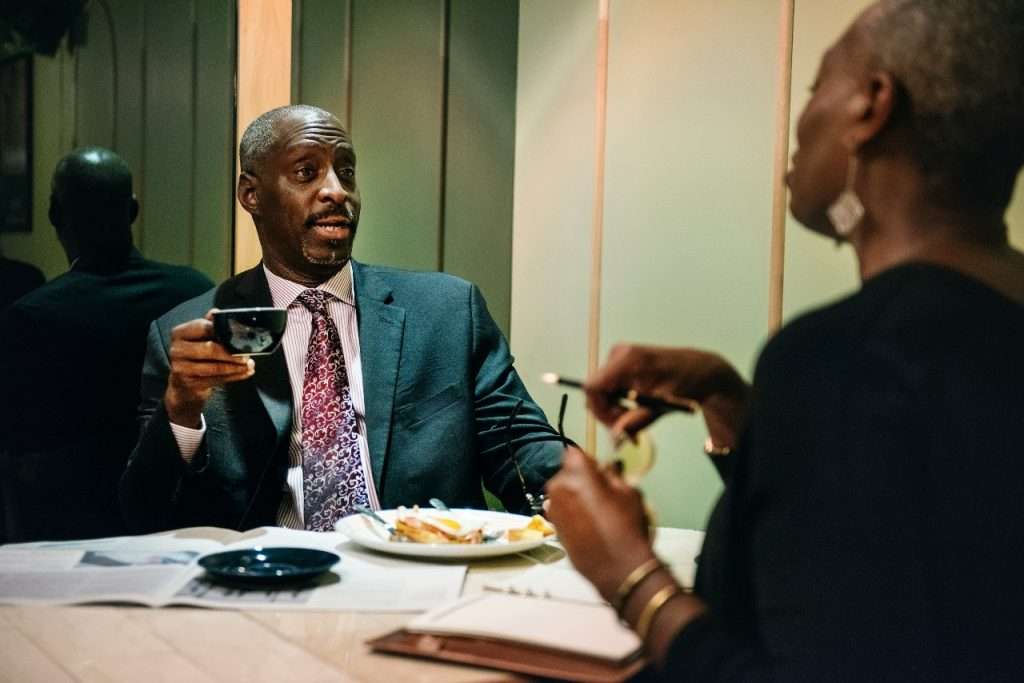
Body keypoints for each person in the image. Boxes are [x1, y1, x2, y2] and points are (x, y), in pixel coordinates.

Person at [545, 1, 1024, 680]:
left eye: (814, 89)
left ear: (871, 106)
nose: (801, 124)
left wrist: (627, 573)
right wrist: (734, 403)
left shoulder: (845, 358)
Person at [119, 105, 563, 533]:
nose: (337, 191)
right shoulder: (191, 332)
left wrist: (578, 491)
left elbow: (520, 444)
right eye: (306, 172)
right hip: (269, 581)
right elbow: (146, 513)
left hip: (419, 578)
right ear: (251, 195)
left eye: (346, 171)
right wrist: (181, 407)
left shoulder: (446, 313)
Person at [0, 148, 214, 542]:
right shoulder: (193, 292)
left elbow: (20, 455)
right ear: (133, 210)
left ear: (54, 214)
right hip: (177, 518)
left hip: (69, 528)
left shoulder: (32, 317)